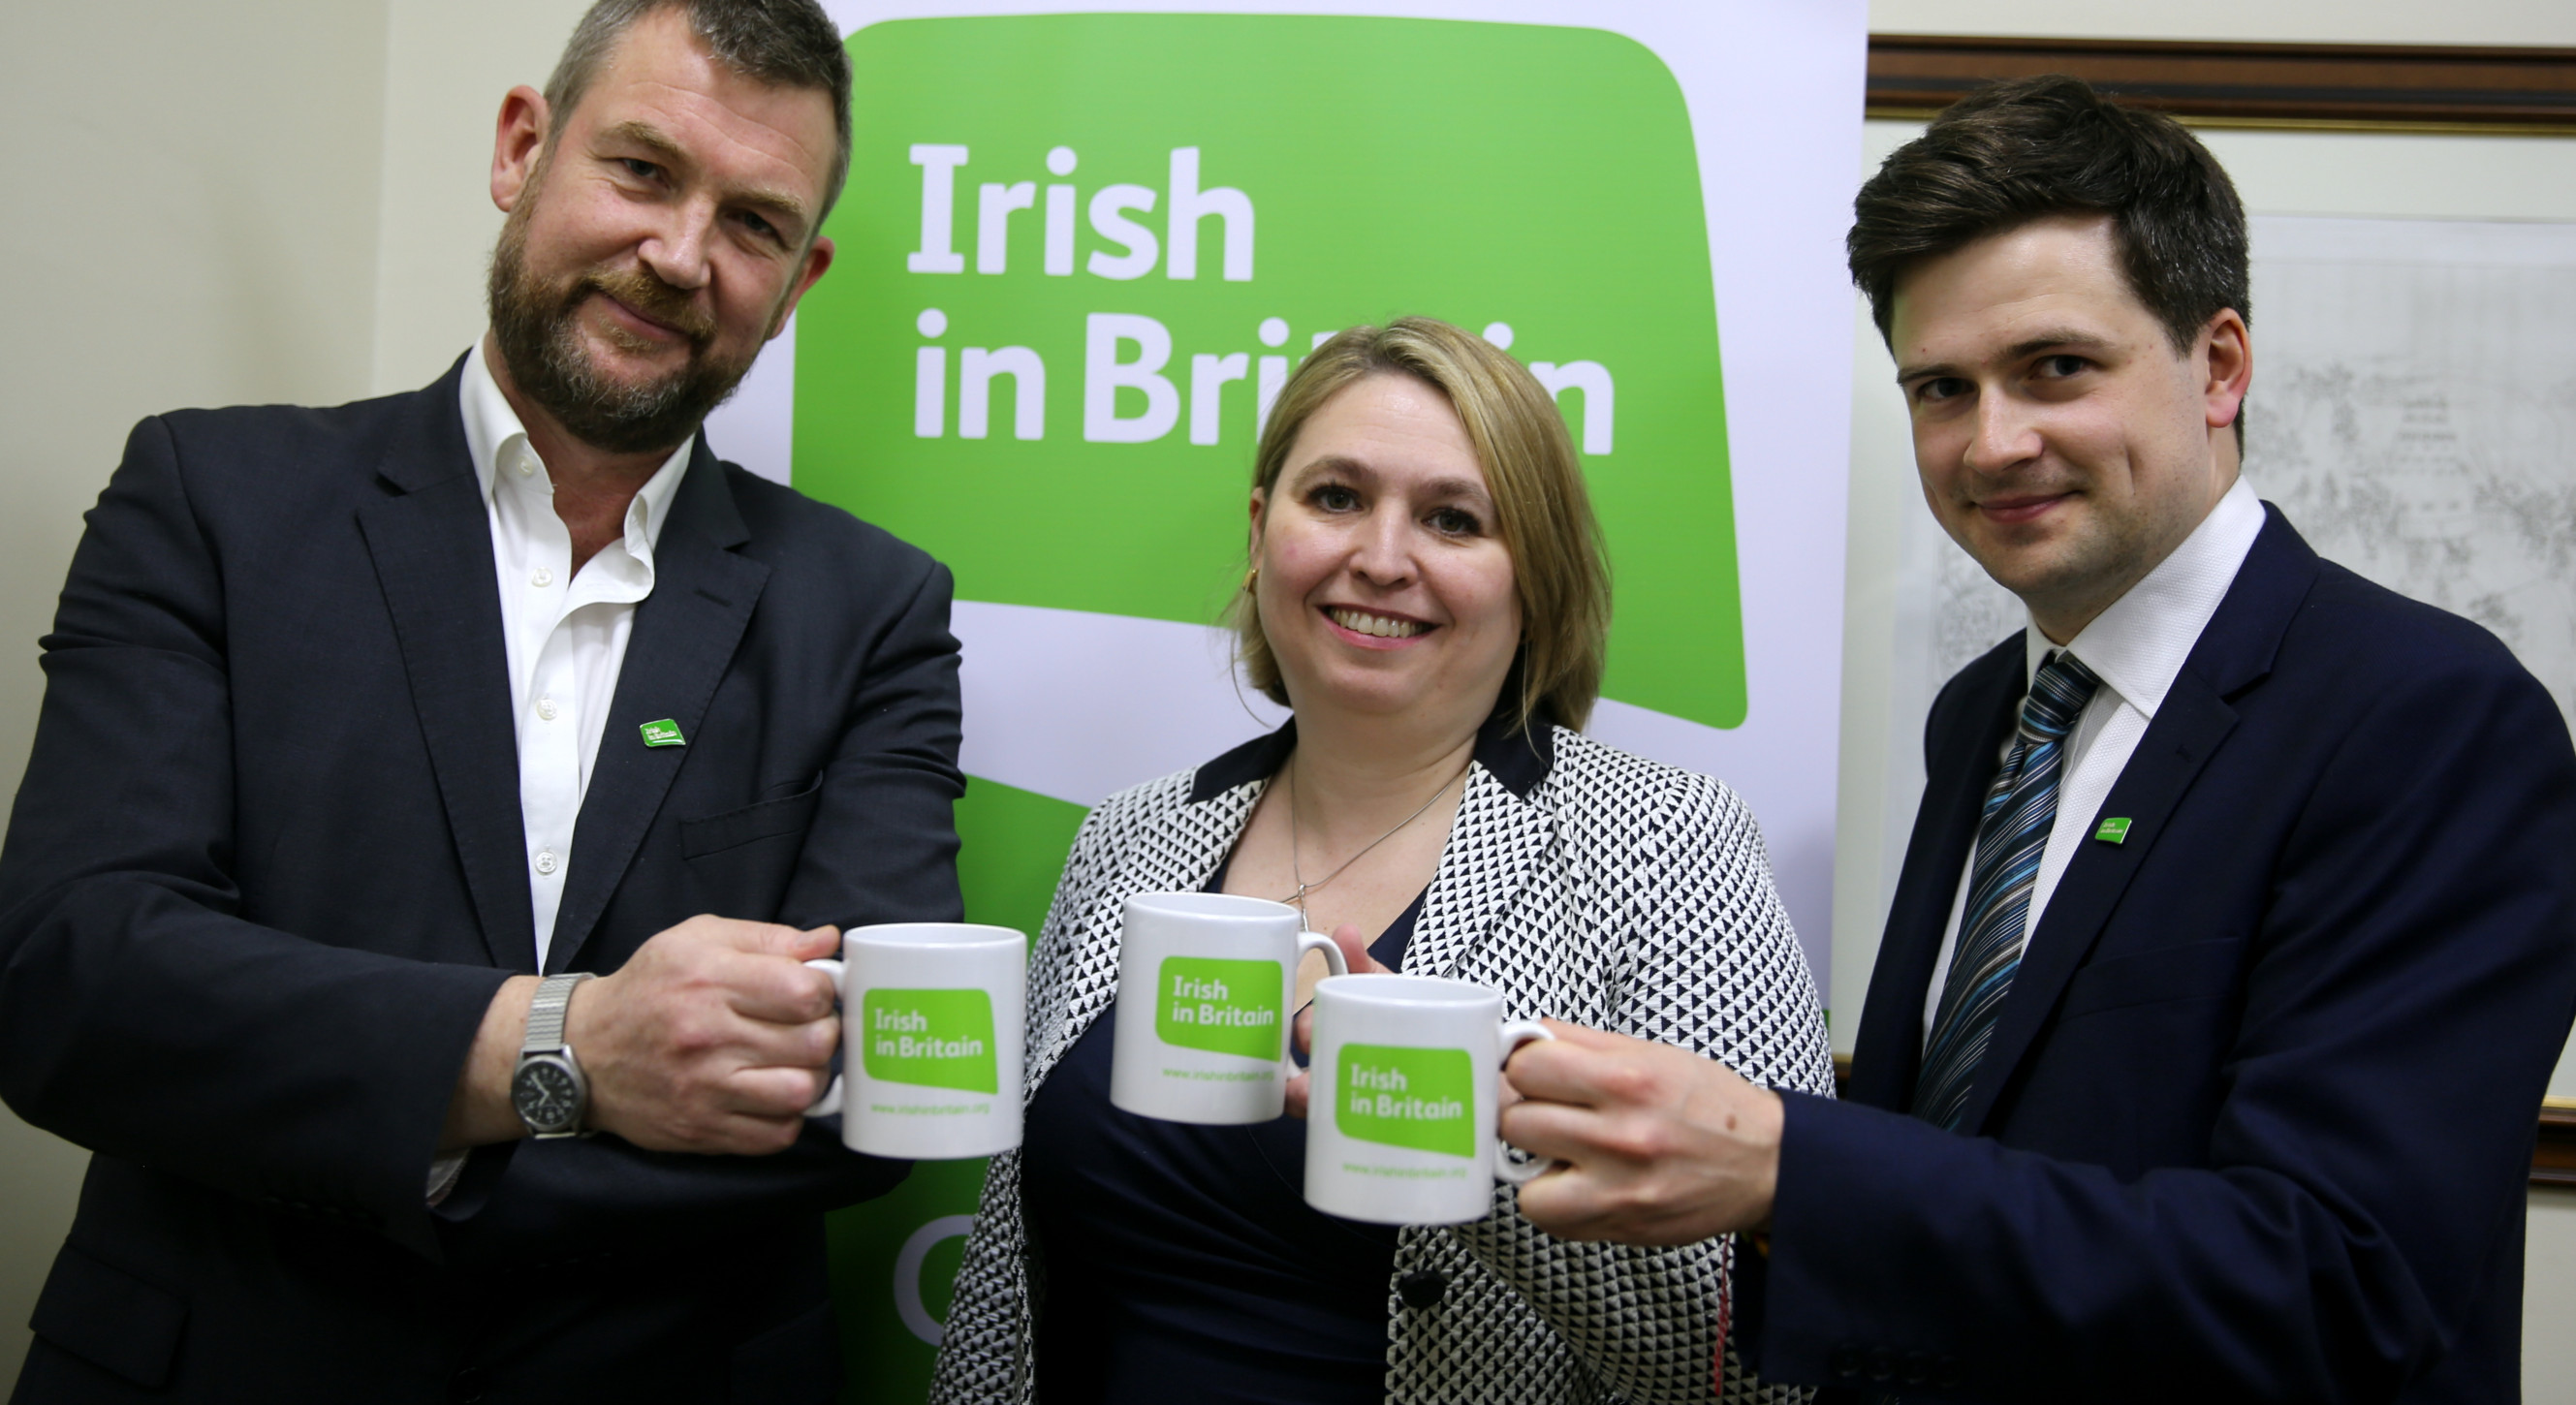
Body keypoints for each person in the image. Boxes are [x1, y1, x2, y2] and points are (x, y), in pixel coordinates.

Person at [1496, 75, 2576, 1403]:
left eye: (2054, 368)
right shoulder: (1983, 714)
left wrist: (1794, 1164)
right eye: (1939, 388)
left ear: (2219, 363)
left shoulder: (2426, 717)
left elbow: (2339, 1284)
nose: (1991, 442)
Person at [0, 2, 964, 1399]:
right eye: (641, 170)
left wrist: (362, 1120)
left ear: (799, 277)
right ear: (524, 147)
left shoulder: (868, 611)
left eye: (752, 224)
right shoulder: (212, 502)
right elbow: (75, 979)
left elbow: (873, 1091)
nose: (680, 256)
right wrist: (563, 1047)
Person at [928, 317, 1833, 1405]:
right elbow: (999, 1282)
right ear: (1264, 530)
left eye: (1454, 519)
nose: (1382, 558)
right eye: (1337, 497)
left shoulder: (1663, 841)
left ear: (1530, 577)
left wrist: (1453, 1141)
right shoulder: (1131, 835)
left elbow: (1752, 1360)